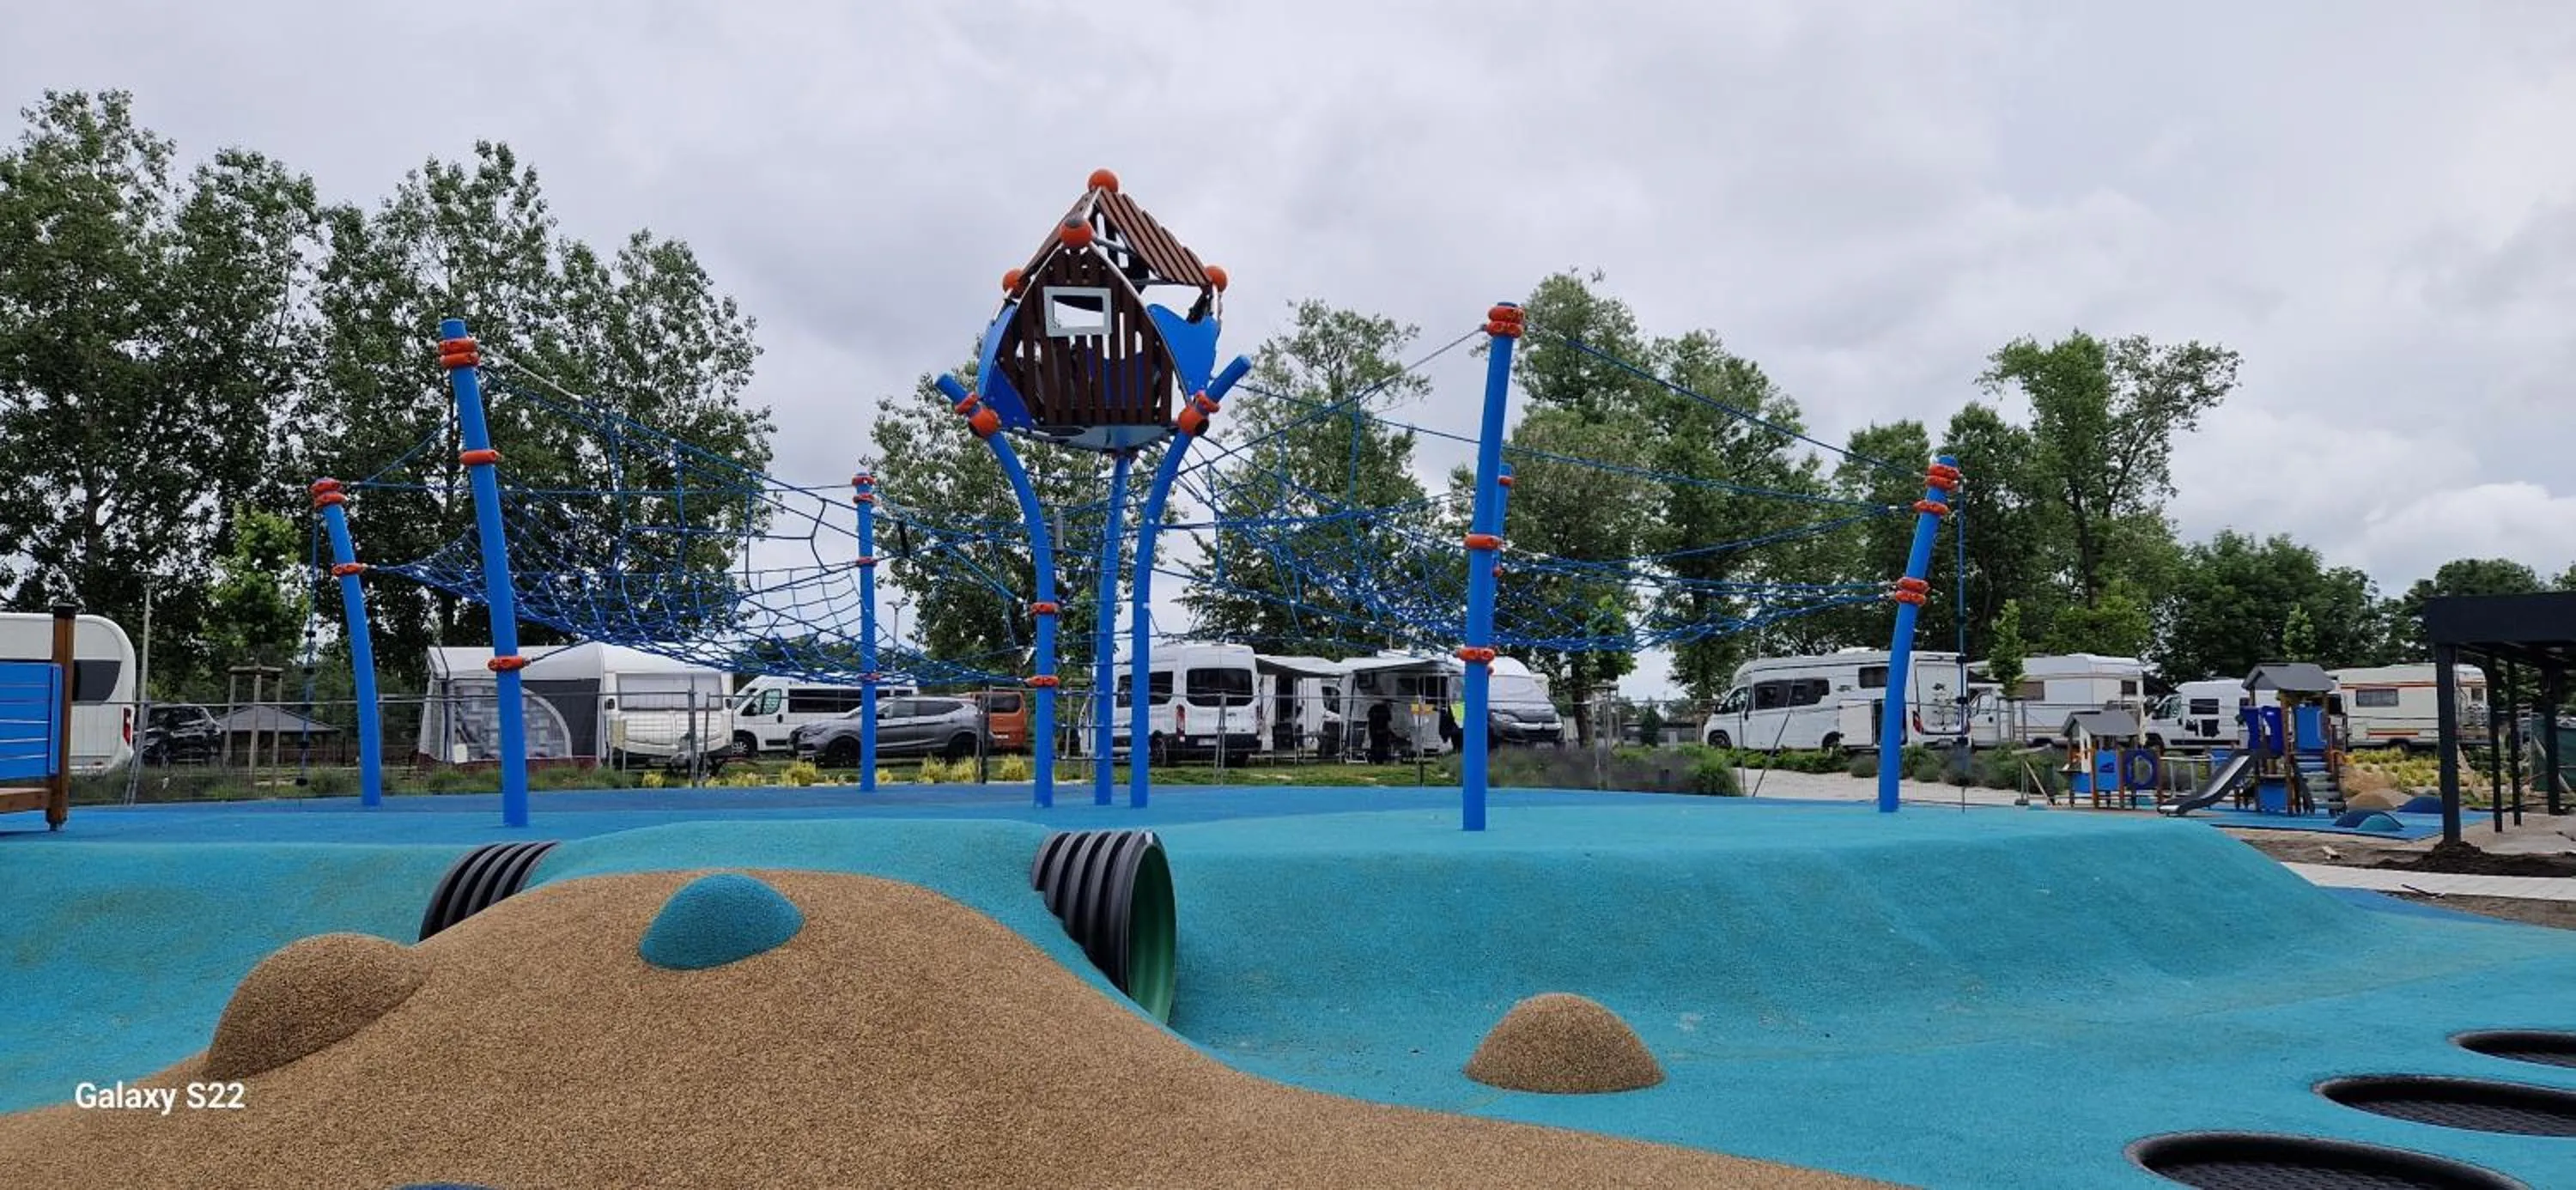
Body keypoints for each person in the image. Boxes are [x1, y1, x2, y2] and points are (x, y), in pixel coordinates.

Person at [1367, 700, 1393, 764]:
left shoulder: (1374, 709)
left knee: (1375, 745)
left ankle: (1375, 758)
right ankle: (1378, 758)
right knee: (1380, 745)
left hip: (1374, 731)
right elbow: (1388, 721)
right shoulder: (1384, 710)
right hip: (1379, 732)